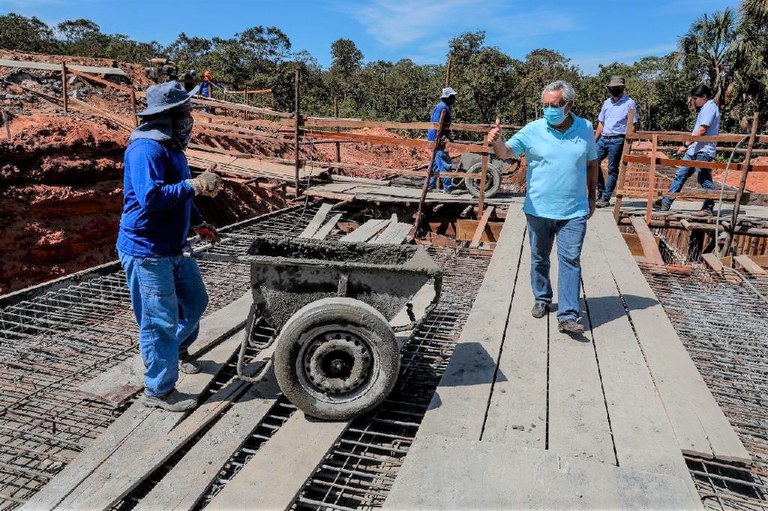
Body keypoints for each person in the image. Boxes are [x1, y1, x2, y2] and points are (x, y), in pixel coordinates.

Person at [117, 80, 223, 412]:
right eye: (187, 113)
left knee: (195, 301)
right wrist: (196, 184)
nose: (191, 119)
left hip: (173, 245)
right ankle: (159, 390)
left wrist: (197, 221)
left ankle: (176, 350)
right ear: (169, 117)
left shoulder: (172, 148)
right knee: (158, 320)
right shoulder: (146, 149)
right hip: (146, 250)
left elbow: (180, 194)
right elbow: (150, 198)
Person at [487, 80, 598, 335]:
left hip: (574, 210)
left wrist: (592, 197)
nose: (549, 110)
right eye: (545, 105)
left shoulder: (585, 127)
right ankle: (542, 297)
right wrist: (496, 141)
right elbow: (505, 153)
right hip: (539, 209)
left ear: (568, 105)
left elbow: (592, 163)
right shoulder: (533, 129)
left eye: (554, 105)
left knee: (570, 260)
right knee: (539, 257)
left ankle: (568, 315)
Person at [654, 84, 720, 216]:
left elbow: (702, 129)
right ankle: (666, 202)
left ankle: (708, 208)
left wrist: (685, 144)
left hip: (703, 150)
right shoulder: (705, 108)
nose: (694, 101)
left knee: (704, 178)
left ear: (704, 96)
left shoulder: (710, 108)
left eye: (696, 98)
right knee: (681, 174)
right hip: (694, 149)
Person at [594, 76, 638, 208]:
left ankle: (606, 197)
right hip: (604, 137)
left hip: (618, 139)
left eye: (616, 87)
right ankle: (601, 190)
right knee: (593, 162)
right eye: (612, 87)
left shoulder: (629, 103)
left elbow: (633, 124)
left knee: (612, 168)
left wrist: (629, 143)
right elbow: (601, 123)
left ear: (622, 88)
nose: (614, 89)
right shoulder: (607, 103)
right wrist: (594, 140)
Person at [427, 87, 457, 193]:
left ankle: (429, 185)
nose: (454, 99)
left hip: (436, 137)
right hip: (437, 138)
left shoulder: (444, 107)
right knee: (443, 162)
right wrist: (440, 138)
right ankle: (448, 187)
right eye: (452, 97)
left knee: (435, 163)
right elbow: (437, 124)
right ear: (448, 98)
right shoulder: (442, 107)